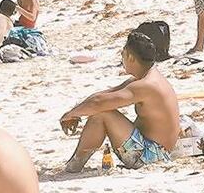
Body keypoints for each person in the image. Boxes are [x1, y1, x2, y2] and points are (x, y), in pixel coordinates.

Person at [61, 32, 180, 172]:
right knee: (100, 110)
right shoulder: (146, 78)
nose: (122, 58)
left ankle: (75, 165)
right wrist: (75, 112)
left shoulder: (146, 85)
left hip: (154, 155)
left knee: (102, 113)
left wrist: (70, 115)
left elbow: (99, 103)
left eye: (123, 54)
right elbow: (103, 95)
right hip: (153, 149)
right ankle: (75, 163)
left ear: (130, 57)